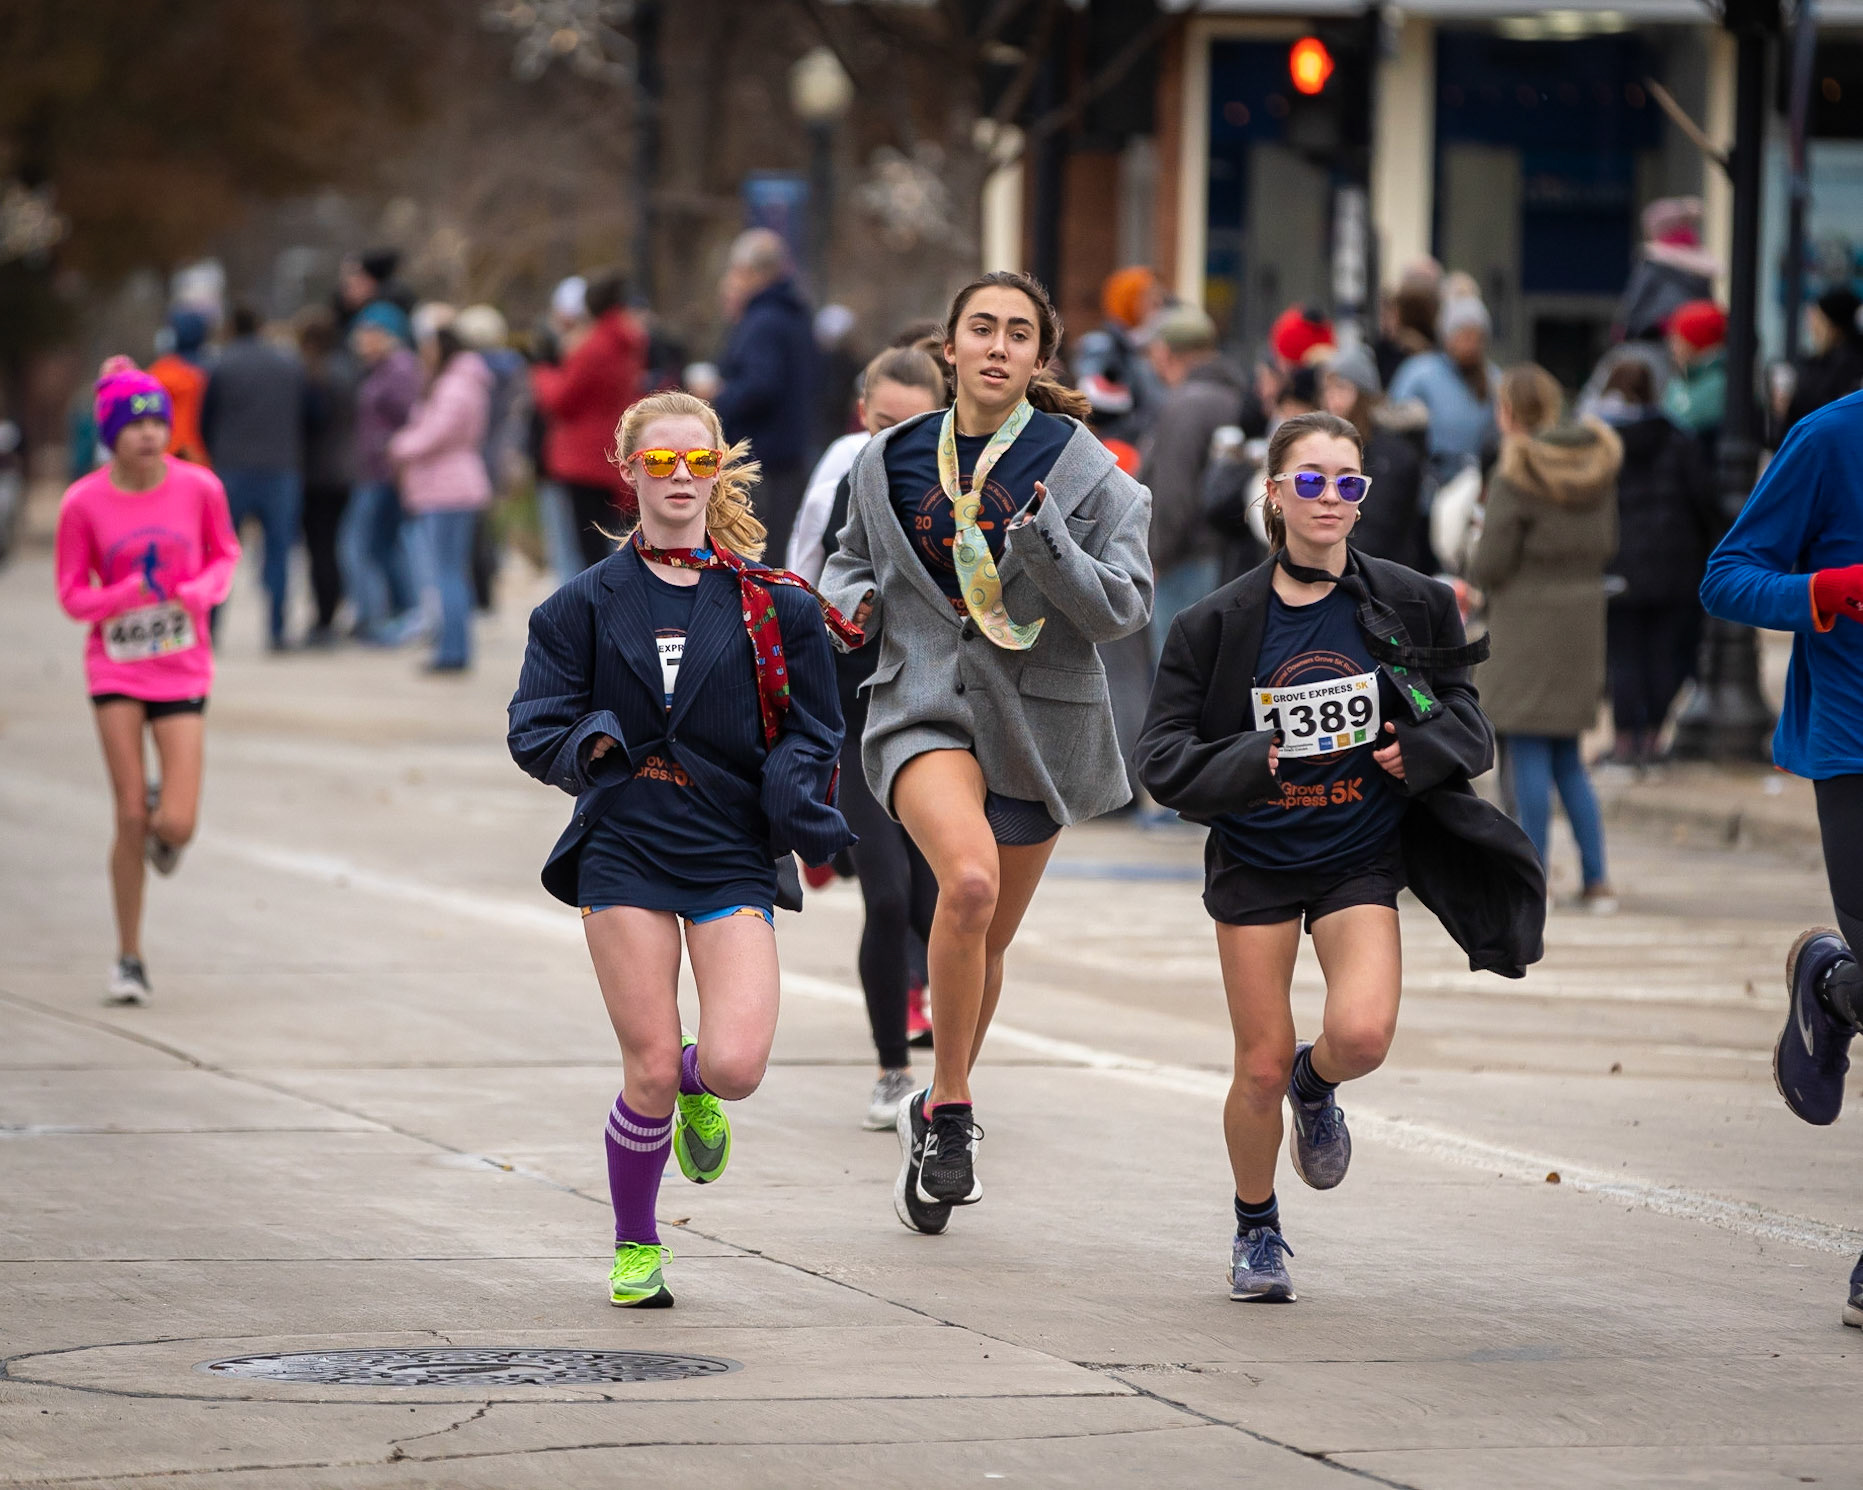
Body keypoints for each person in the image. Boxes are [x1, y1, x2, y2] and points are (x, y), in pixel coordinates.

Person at [1135, 409, 1541, 1304]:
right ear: (1274, 495)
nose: (1328, 498)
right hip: (1255, 856)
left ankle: (1314, 1086)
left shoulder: (1410, 602)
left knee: (1359, 1035)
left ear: (1362, 498)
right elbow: (1158, 759)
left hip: (1357, 852)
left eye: (1346, 483)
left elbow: (1467, 724)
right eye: (1310, 481)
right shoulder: (1214, 624)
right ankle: (1255, 1228)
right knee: (1256, 1063)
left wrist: (1417, 749)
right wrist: (1252, 760)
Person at [818, 270, 1154, 1234]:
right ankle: (955, 1112)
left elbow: (1124, 608)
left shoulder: (1092, 472)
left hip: (1038, 723)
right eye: (981, 328)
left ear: (1039, 355)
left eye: (1016, 332)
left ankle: (933, 1109)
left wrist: (1050, 546)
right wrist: (851, 604)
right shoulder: (887, 458)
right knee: (966, 885)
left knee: (986, 938)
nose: (997, 346)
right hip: (922, 701)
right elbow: (847, 558)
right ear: (950, 347)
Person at [507, 389, 854, 1307]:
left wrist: (793, 796)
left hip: (729, 848)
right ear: (628, 471)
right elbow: (533, 725)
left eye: (696, 460)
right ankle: (636, 1246)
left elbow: (817, 729)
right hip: (623, 845)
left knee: (732, 1067)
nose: (678, 477)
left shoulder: (773, 604)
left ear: (717, 471)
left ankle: (697, 1084)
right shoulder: (578, 606)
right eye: (658, 461)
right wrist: (591, 746)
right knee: (650, 1066)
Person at [1698, 388, 1863, 1327]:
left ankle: (1832, 988)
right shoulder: (1830, 438)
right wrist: (1823, 593)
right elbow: (1727, 577)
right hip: (1855, 746)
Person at [792, 345, 949, 1125]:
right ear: (862, 416)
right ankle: (892, 1070)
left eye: (914, 427)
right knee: (886, 900)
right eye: (884, 423)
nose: (896, 440)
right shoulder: (843, 479)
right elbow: (799, 584)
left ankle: (951, 1082)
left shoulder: (960, 490)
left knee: (942, 906)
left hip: (932, 716)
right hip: (854, 713)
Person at [55, 359, 240, 1004]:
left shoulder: (200, 488)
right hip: (115, 664)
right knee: (130, 813)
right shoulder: (82, 502)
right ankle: (129, 957)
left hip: (182, 664)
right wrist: (120, 598)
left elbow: (226, 556)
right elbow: (71, 594)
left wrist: (198, 592)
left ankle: (167, 819)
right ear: (112, 434)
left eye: (158, 422)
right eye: (135, 425)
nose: (150, 434)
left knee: (176, 824)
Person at [1470, 365, 1621, 911]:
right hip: (1582, 620)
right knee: (1568, 757)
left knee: (1528, 748)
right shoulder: (1597, 464)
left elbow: (1490, 561)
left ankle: (1533, 877)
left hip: (1525, 619)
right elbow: (1609, 541)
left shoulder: (1518, 469)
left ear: (1510, 410)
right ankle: (1597, 877)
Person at [1594, 360, 1719, 765]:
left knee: (1624, 656)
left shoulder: (1602, 445)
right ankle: (1652, 738)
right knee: (1665, 654)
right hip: (1675, 568)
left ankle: (1624, 741)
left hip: (1620, 567)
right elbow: (1704, 502)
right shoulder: (1679, 439)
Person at [1140, 303, 1245, 663]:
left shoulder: (1186, 405)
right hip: (1222, 558)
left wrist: (1156, 556)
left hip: (1184, 564)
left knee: (1178, 671)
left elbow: (1174, 493)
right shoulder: (1233, 395)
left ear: (1165, 353)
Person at [389, 317, 494, 672]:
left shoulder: (454, 385)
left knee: (446, 573)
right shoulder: (463, 381)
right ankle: (453, 648)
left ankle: (452, 651)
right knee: (452, 571)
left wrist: (400, 446)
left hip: (447, 488)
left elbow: (437, 432)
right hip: (452, 484)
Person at [202, 306, 304, 650]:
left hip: (232, 468)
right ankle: (277, 629)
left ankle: (210, 627)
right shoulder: (288, 364)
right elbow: (306, 413)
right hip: (281, 467)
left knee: (221, 551)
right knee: (279, 553)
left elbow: (206, 418)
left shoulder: (221, 365)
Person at [714, 229, 818, 564]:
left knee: (753, 555)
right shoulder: (795, 315)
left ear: (751, 272)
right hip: (789, 453)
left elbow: (760, 385)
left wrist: (718, 396)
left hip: (761, 460)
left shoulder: (763, 321)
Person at [531, 272, 646, 572]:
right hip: (608, 451)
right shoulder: (624, 341)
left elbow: (560, 399)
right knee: (608, 545)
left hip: (583, 459)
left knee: (589, 554)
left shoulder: (594, 347)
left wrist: (542, 374)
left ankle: (597, 602)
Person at [342, 301, 422, 641]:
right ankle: (400, 613)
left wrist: (387, 448)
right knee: (383, 546)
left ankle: (375, 618)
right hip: (375, 471)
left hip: (385, 473)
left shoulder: (400, 368)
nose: (360, 340)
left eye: (368, 333)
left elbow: (411, 418)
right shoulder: (379, 369)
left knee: (357, 545)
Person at [1320, 343, 1428, 572]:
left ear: (1363, 395)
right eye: (1328, 389)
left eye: (1341, 388)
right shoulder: (1327, 448)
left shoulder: (1392, 456)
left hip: (1383, 575)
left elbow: (1378, 531)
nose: (1332, 400)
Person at [1388, 296, 1501, 487]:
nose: (1471, 344)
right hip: (1427, 480)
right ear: (1448, 337)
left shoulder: (1494, 380)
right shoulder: (1419, 372)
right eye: (1464, 335)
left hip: (1475, 481)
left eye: (1477, 337)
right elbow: (1393, 422)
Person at [297, 310, 360, 647]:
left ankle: (324, 618)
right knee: (335, 546)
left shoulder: (316, 374)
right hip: (345, 469)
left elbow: (312, 420)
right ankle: (335, 611)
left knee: (320, 549)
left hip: (318, 473)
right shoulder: (349, 369)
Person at [1072, 265, 1168, 444]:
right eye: (1149, 298)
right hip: (1117, 447)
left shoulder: (1148, 345)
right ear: (1128, 300)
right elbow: (1094, 407)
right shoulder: (1102, 345)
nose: (1158, 304)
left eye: (1158, 298)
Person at [1616, 197, 1718, 345]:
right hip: (1693, 335)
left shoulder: (1654, 259)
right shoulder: (1699, 261)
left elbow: (1637, 297)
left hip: (1656, 331)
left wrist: (1624, 328)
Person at [1777, 287, 1863, 440]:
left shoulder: (1841, 364)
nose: (1813, 327)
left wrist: (1789, 406)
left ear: (1833, 326)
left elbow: (1819, 407)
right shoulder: (1828, 360)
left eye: (1819, 320)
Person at [1662, 300, 1728, 459]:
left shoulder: (1720, 386)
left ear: (1696, 342)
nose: (1672, 347)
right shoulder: (1680, 380)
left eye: (1678, 339)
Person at [148, 309, 212, 466]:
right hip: (203, 456)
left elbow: (140, 405)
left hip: (168, 454)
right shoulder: (212, 371)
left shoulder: (163, 372)